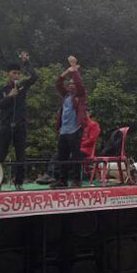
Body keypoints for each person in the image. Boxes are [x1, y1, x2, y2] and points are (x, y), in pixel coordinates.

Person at [0, 51, 38, 190]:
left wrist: (26, 62)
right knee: (1, 155)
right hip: (5, 125)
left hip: (20, 125)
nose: (16, 75)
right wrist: (10, 96)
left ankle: (19, 182)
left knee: (21, 156)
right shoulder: (1, 88)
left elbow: (35, 76)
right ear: (8, 74)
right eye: (14, 73)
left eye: (18, 73)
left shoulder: (22, 86)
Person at [52, 56, 87, 188]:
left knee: (76, 157)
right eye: (70, 83)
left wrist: (74, 67)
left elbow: (79, 83)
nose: (72, 85)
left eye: (73, 84)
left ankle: (76, 180)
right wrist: (68, 71)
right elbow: (58, 83)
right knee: (62, 157)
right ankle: (62, 180)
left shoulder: (81, 95)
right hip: (64, 130)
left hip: (75, 129)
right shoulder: (66, 95)